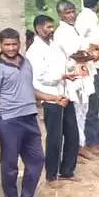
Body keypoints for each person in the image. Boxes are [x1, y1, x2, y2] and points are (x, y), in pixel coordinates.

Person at [0, 29, 53, 197]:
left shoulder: (26, 63)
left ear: (20, 44)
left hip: (30, 117)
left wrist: (52, 97)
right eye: (7, 44)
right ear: (0, 45)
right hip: (9, 121)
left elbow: (29, 89)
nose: (11, 48)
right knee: (10, 165)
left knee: (37, 160)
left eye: (14, 44)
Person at [27, 15, 78, 183]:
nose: (51, 30)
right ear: (38, 29)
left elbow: (65, 63)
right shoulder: (34, 51)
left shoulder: (55, 46)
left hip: (64, 93)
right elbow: (41, 77)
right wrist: (62, 75)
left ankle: (67, 171)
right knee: (55, 137)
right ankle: (51, 174)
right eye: (48, 27)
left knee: (72, 134)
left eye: (52, 27)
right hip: (50, 97)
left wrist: (71, 69)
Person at [73, 0, 99, 156]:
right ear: (98, 4)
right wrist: (95, 51)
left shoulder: (89, 17)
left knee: (92, 104)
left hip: (95, 64)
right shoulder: (86, 18)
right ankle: (90, 141)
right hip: (88, 65)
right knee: (90, 104)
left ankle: (94, 139)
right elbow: (81, 43)